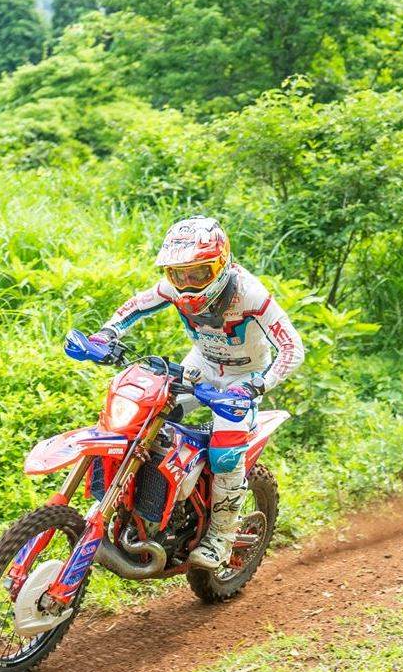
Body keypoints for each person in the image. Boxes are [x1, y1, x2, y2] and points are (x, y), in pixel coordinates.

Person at [89, 216, 304, 570]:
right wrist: (106, 334)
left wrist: (256, 386)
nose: (187, 285)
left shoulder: (250, 294)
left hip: (243, 378)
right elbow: (136, 306)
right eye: (179, 274)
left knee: (226, 451)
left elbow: (292, 348)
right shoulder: (172, 289)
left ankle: (221, 536)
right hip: (200, 367)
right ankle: (139, 503)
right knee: (143, 417)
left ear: (221, 265)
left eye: (199, 273)